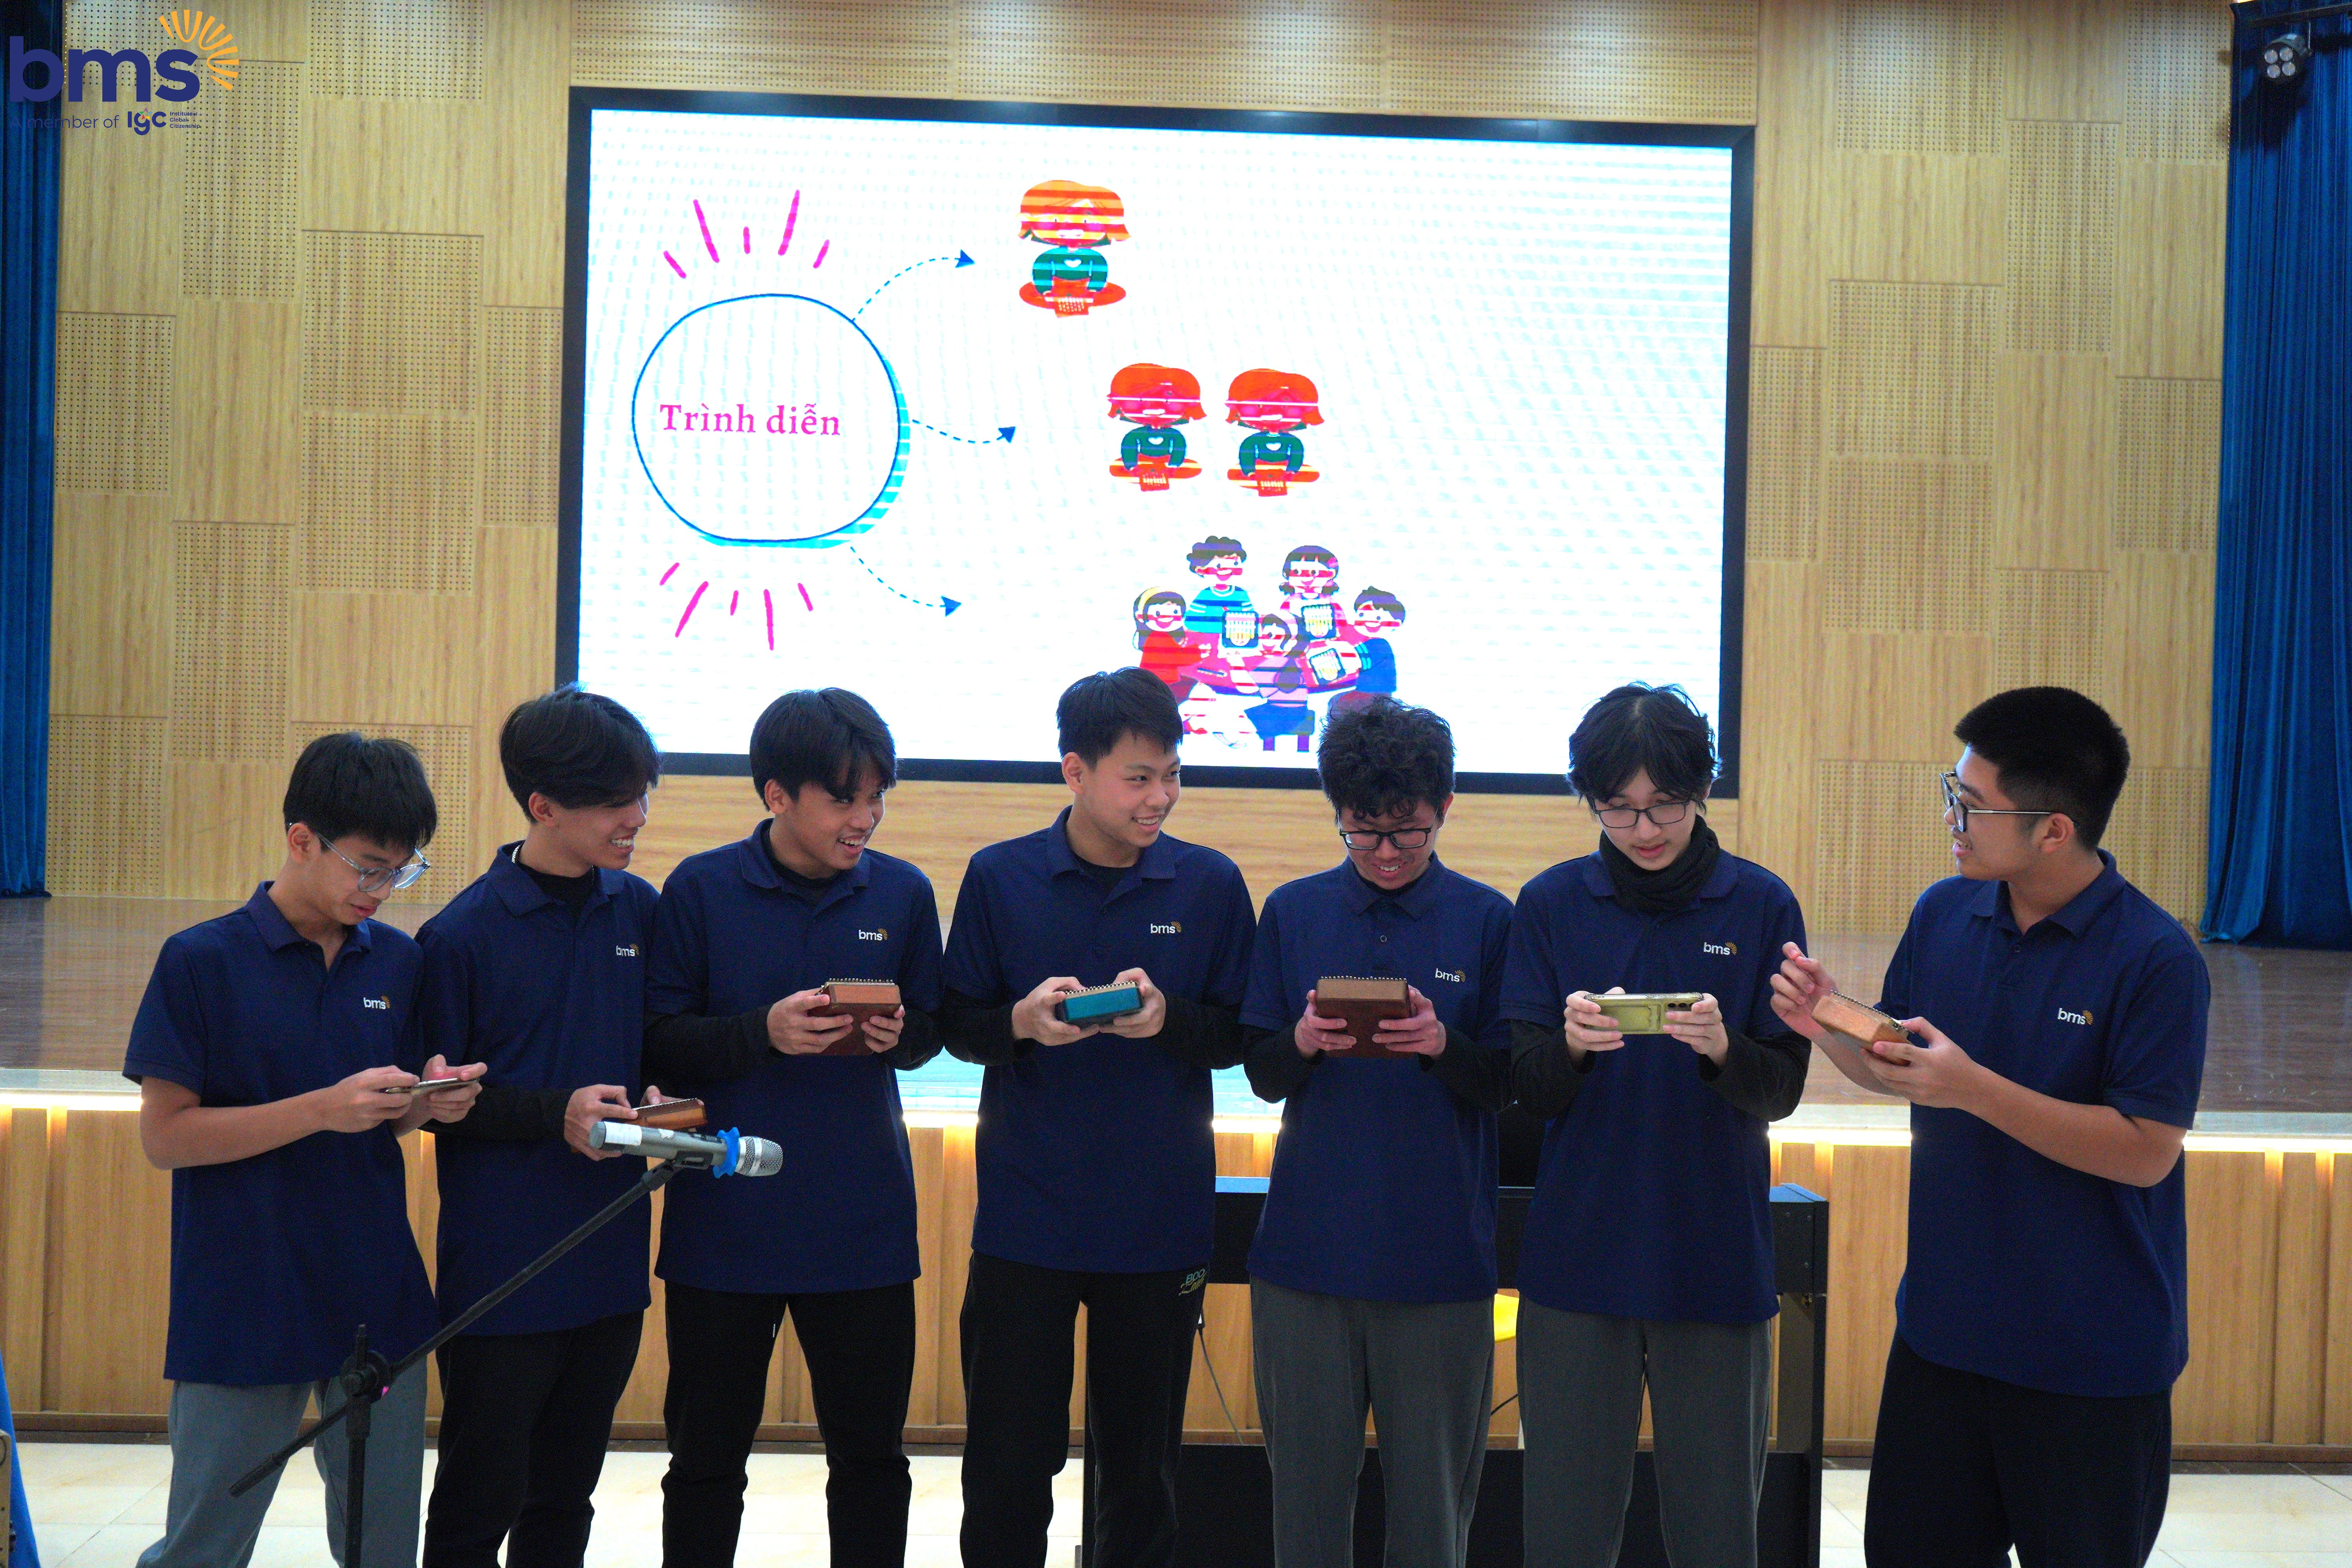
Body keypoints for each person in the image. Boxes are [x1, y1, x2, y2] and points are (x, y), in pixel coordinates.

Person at [1770, 687, 2207, 1568]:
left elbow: (2145, 1152)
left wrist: (1975, 1090)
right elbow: (1902, 1067)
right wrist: (1827, 1023)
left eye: (1972, 804)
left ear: (2054, 830)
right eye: (1953, 791)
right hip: (1944, 1339)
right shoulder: (1946, 912)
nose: (1952, 818)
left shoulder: (2157, 959)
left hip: (2090, 1361)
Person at [124, 732, 485, 1568]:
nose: (380, 891)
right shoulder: (201, 960)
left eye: (400, 872)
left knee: (382, 1544)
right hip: (242, 1290)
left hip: (376, 1289)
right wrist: (321, 1109)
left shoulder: (399, 961)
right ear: (300, 840)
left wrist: (428, 1100)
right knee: (204, 1543)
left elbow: (386, 1120)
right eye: (368, 868)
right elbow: (165, 1136)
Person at [941, 668, 1256, 1568]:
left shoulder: (1209, 883)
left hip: (1159, 1224)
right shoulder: (1001, 876)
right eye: (1138, 777)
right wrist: (1020, 1021)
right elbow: (955, 1026)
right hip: (1025, 1222)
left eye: (1173, 774)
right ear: (1075, 771)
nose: (1161, 796)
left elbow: (1243, 1035)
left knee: (1142, 1477)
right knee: (1007, 1467)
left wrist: (1167, 1021)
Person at [1502, 684, 1809, 1568]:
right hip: (1577, 1262)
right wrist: (1571, 1046)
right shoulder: (1552, 902)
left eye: (1665, 804)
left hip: (1715, 1260)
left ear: (1702, 789)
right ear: (1591, 800)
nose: (1644, 829)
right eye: (1619, 807)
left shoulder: (1760, 904)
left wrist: (1723, 1049)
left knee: (1718, 1533)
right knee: (1565, 1532)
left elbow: (1782, 1090)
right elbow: (1528, 1090)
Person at [642, 689, 945, 1568]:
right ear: (777, 794)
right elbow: (657, 1039)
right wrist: (760, 1032)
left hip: (863, 1224)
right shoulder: (701, 889)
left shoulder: (902, 890)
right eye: (844, 799)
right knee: (705, 1461)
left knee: (872, 1461)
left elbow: (931, 1030)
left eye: (877, 797)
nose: (866, 818)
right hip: (723, 1223)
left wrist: (900, 1035)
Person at [1240, 697, 1513, 1568]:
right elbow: (1261, 1073)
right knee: (1306, 1516)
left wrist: (1441, 1044)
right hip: (1306, 1262)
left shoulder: (1488, 918)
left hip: (1441, 1265)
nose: (1387, 852)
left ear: (1445, 808)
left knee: (1434, 1518)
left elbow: (1511, 1083)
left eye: (1408, 831)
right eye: (1363, 831)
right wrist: (1302, 1040)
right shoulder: (1293, 911)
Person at [416, 688, 665, 1568]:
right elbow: (438, 1104)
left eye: (643, 793)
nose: (636, 818)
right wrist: (553, 1113)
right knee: (478, 1500)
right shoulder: (459, 936)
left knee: (566, 1498)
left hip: (610, 1260)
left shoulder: (640, 910)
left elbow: (658, 1045)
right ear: (543, 806)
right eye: (614, 801)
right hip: (503, 1270)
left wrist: (663, 1101)